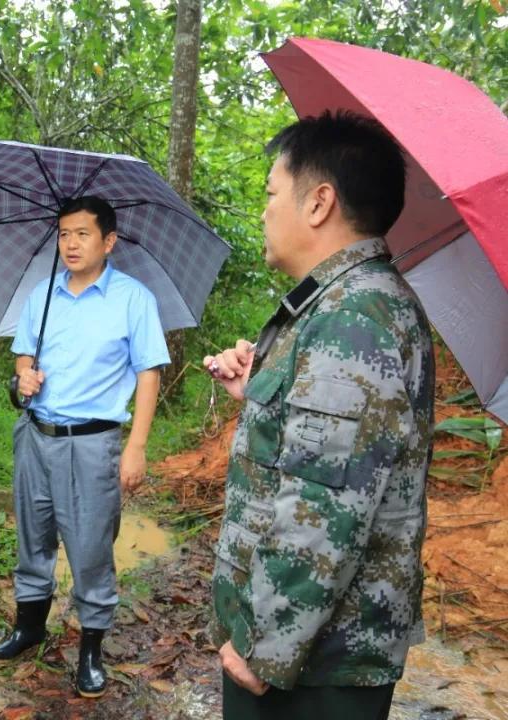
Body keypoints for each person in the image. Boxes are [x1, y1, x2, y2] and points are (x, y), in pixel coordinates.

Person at [203, 111, 434, 719]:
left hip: (310, 662)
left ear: (319, 203)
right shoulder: (343, 302)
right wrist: (262, 392)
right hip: (310, 647)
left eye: (272, 194)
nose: (263, 211)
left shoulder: (352, 318)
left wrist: (264, 647)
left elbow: (325, 507)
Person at [0, 196, 169, 698]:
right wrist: (24, 376)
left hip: (93, 443)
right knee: (33, 534)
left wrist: (137, 447)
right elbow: (23, 353)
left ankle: (90, 649)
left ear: (108, 241)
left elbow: (148, 373)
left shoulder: (133, 299)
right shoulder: (44, 294)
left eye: (82, 233)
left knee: (89, 547)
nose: (71, 243)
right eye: (64, 233)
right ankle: (29, 626)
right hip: (36, 435)